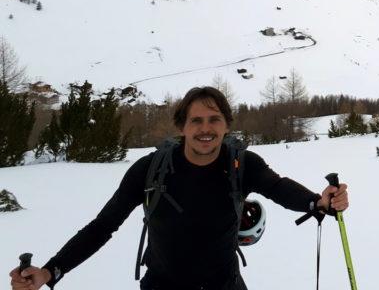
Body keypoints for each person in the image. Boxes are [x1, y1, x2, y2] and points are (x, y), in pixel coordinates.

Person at [9, 87, 349, 290]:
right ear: (182, 127)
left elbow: (279, 188)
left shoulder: (242, 164)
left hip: (225, 285)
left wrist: (316, 202)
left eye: (214, 119)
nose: (206, 128)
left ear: (226, 124)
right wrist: (51, 271)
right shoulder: (149, 170)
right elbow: (103, 225)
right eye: (196, 121)